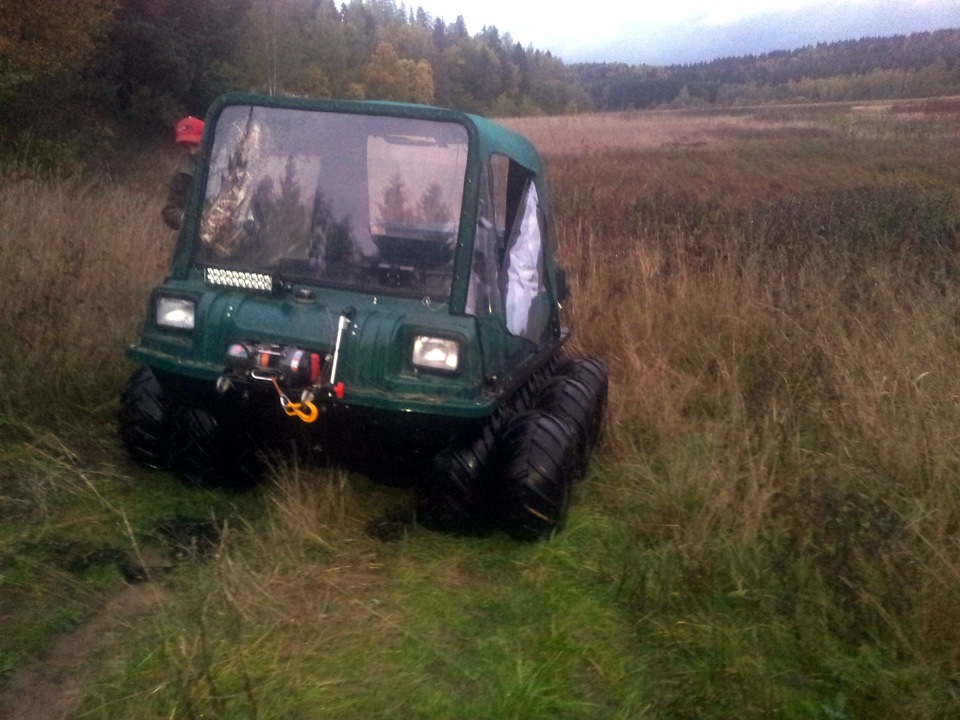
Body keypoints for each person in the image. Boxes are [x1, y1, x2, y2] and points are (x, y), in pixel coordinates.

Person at [161, 116, 204, 230]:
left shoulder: (227, 167)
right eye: (186, 146)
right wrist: (187, 219)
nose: (192, 151)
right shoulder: (180, 174)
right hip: (193, 238)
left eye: (195, 144)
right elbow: (169, 210)